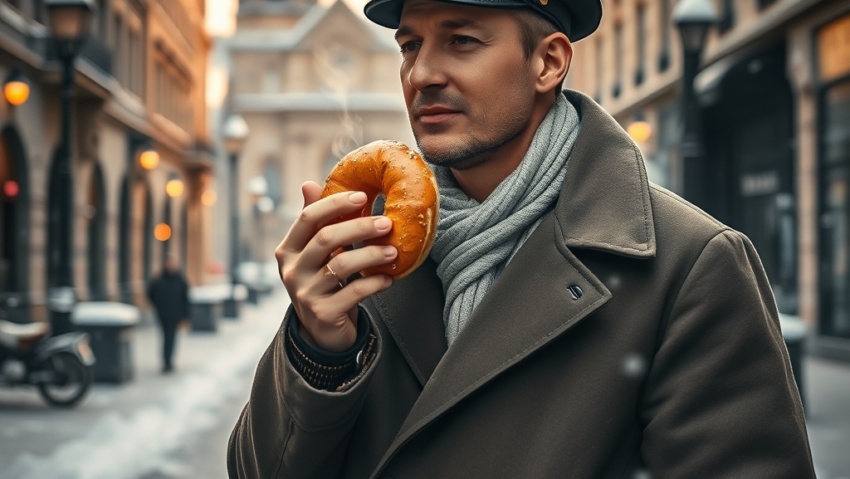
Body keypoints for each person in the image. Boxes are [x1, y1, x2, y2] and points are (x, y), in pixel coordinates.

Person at [227, 0, 816, 476]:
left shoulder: (689, 266)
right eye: (410, 45)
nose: (422, 74)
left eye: (462, 40)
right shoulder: (366, 252)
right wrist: (317, 351)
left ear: (548, 62)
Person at [146, 255, 190, 374]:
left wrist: (186, 316)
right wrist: (157, 306)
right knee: (165, 337)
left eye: (173, 263)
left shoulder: (180, 280)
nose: (171, 265)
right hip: (163, 314)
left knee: (171, 338)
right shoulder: (159, 279)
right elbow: (150, 293)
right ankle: (165, 361)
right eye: (169, 263)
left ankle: (169, 361)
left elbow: (185, 299)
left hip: (175, 315)